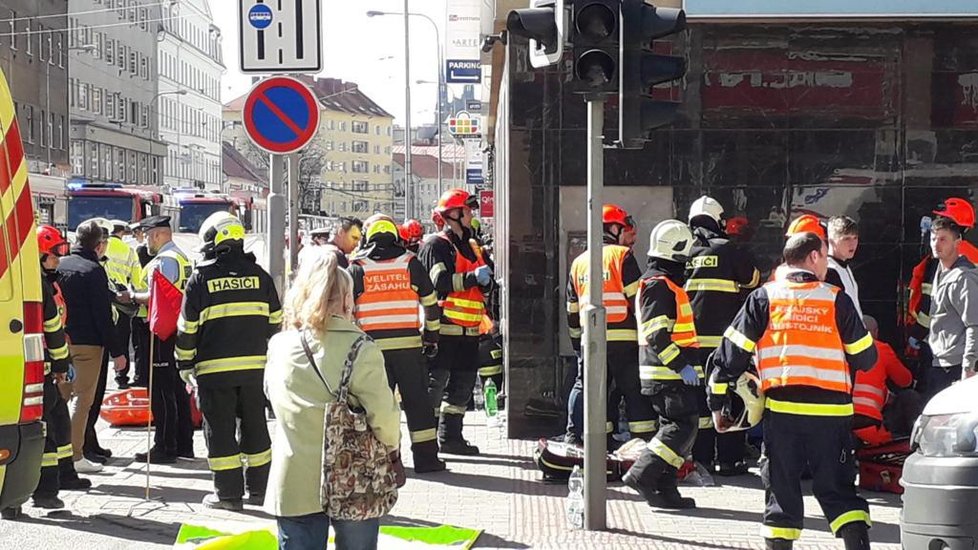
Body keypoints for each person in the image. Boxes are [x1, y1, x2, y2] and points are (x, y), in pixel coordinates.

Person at [708, 232, 876, 550]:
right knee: (839, 492)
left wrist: (717, 404)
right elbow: (866, 357)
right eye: (825, 256)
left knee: (782, 496)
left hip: (783, 414)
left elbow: (728, 357)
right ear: (813, 257)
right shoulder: (835, 298)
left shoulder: (763, 298)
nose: (826, 263)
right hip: (832, 415)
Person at [265, 250, 401, 550]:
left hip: (294, 480)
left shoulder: (280, 346)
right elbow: (385, 420)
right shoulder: (361, 349)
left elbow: (271, 399)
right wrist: (393, 451)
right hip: (354, 478)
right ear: (347, 300)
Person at [174, 213, 282, 510]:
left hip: (214, 373)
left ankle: (228, 495)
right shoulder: (261, 277)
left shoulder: (201, 279)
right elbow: (277, 324)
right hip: (256, 372)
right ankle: (260, 490)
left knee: (220, 432)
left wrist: (184, 365)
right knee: (256, 427)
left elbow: (187, 329)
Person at [350, 217, 445, 472]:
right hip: (409, 349)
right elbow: (431, 303)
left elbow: (346, 311)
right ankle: (427, 460)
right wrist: (431, 338)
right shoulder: (410, 263)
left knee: (377, 406)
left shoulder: (357, 267)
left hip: (371, 351)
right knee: (417, 404)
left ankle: (382, 462)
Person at [621, 220, 700, 509]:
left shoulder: (663, 283)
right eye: (685, 258)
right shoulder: (658, 285)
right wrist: (681, 365)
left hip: (669, 371)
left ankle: (665, 489)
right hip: (666, 371)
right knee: (681, 426)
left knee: (680, 428)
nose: (687, 264)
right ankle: (643, 474)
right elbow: (656, 334)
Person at [564, 204, 654, 445]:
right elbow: (638, 301)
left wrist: (577, 344)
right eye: (624, 228)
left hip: (590, 340)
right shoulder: (622, 256)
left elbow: (572, 311)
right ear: (613, 228)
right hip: (624, 340)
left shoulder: (579, 262)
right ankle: (642, 440)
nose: (628, 235)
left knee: (589, 389)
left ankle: (578, 437)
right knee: (633, 390)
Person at [684, 196, 760, 476]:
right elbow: (752, 279)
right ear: (719, 220)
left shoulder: (685, 251)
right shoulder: (728, 249)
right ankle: (729, 460)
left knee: (702, 402)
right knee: (731, 397)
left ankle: (701, 458)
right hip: (727, 343)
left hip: (692, 342)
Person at [420, 189, 492, 455]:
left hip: (470, 330)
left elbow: (485, 284)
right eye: (468, 209)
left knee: (461, 388)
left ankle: (451, 437)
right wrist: (474, 278)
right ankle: (426, 442)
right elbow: (438, 282)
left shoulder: (473, 246)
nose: (472, 213)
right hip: (444, 328)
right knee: (435, 386)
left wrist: (487, 283)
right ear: (454, 214)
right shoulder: (435, 246)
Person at [56, 221, 127, 473]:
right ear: (98, 245)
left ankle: (55, 453)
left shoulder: (60, 265)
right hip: (89, 345)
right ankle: (75, 457)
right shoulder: (94, 270)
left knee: (60, 401)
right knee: (81, 401)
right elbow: (102, 316)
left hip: (61, 343)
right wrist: (118, 352)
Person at [32, 225, 92, 509]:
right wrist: (60, 362)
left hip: (51, 363)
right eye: (54, 254)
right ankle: (45, 492)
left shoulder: (48, 281)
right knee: (47, 431)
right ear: (40, 255)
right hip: (41, 365)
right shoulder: (37, 284)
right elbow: (51, 327)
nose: (59, 259)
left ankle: (66, 474)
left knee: (60, 422)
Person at [129, 215, 195, 464]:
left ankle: (165, 446)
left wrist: (132, 296)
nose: (146, 241)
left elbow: (158, 297)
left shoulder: (164, 261)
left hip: (161, 331)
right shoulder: (180, 256)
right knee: (177, 388)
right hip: (175, 327)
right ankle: (182, 444)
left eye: (147, 235)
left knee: (161, 390)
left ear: (157, 235)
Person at [905, 199, 978, 374]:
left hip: (946, 349)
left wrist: (917, 333)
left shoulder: (943, 261)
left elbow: (931, 304)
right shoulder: (972, 255)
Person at [923, 215, 978, 401]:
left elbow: (974, 325)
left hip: (956, 365)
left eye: (943, 239)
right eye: (933, 239)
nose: (936, 244)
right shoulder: (939, 272)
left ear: (957, 242)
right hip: (939, 361)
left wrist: (969, 367)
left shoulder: (964, 278)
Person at [853, 316, 920, 447]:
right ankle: (917, 442)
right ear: (876, 332)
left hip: (839, 422)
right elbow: (905, 381)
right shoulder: (881, 349)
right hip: (869, 424)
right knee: (910, 396)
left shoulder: (841, 350)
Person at [104, 220, 141, 391]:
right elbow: (137, 280)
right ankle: (121, 376)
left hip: (103, 298)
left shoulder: (101, 245)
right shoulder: (129, 251)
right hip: (121, 301)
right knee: (122, 340)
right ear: (123, 233)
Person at [824, 216, 864, 319]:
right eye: (846, 238)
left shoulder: (844, 265)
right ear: (831, 241)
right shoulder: (830, 270)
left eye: (855, 238)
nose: (853, 243)